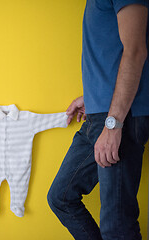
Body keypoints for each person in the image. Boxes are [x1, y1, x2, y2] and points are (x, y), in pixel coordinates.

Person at [47, 0, 149, 239]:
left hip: (120, 118)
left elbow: (135, 51)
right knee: (61, 198)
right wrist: (93, 97)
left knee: (117, 227)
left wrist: (113, 123)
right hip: (100, 114)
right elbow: (110, 53)